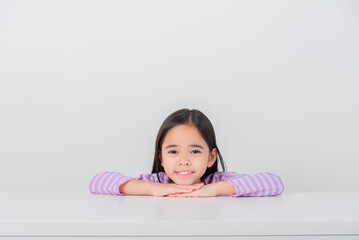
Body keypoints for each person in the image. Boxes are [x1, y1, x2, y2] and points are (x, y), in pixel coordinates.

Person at [89, 108, 284, 197]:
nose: (184, 161)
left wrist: (214, 190)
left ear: (211, 157)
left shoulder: (218, 181)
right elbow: (98, 181)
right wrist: (154, 189)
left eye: (195, 151)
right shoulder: (156, 182)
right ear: (161, 158)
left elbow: (274, 182)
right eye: (173, 151)